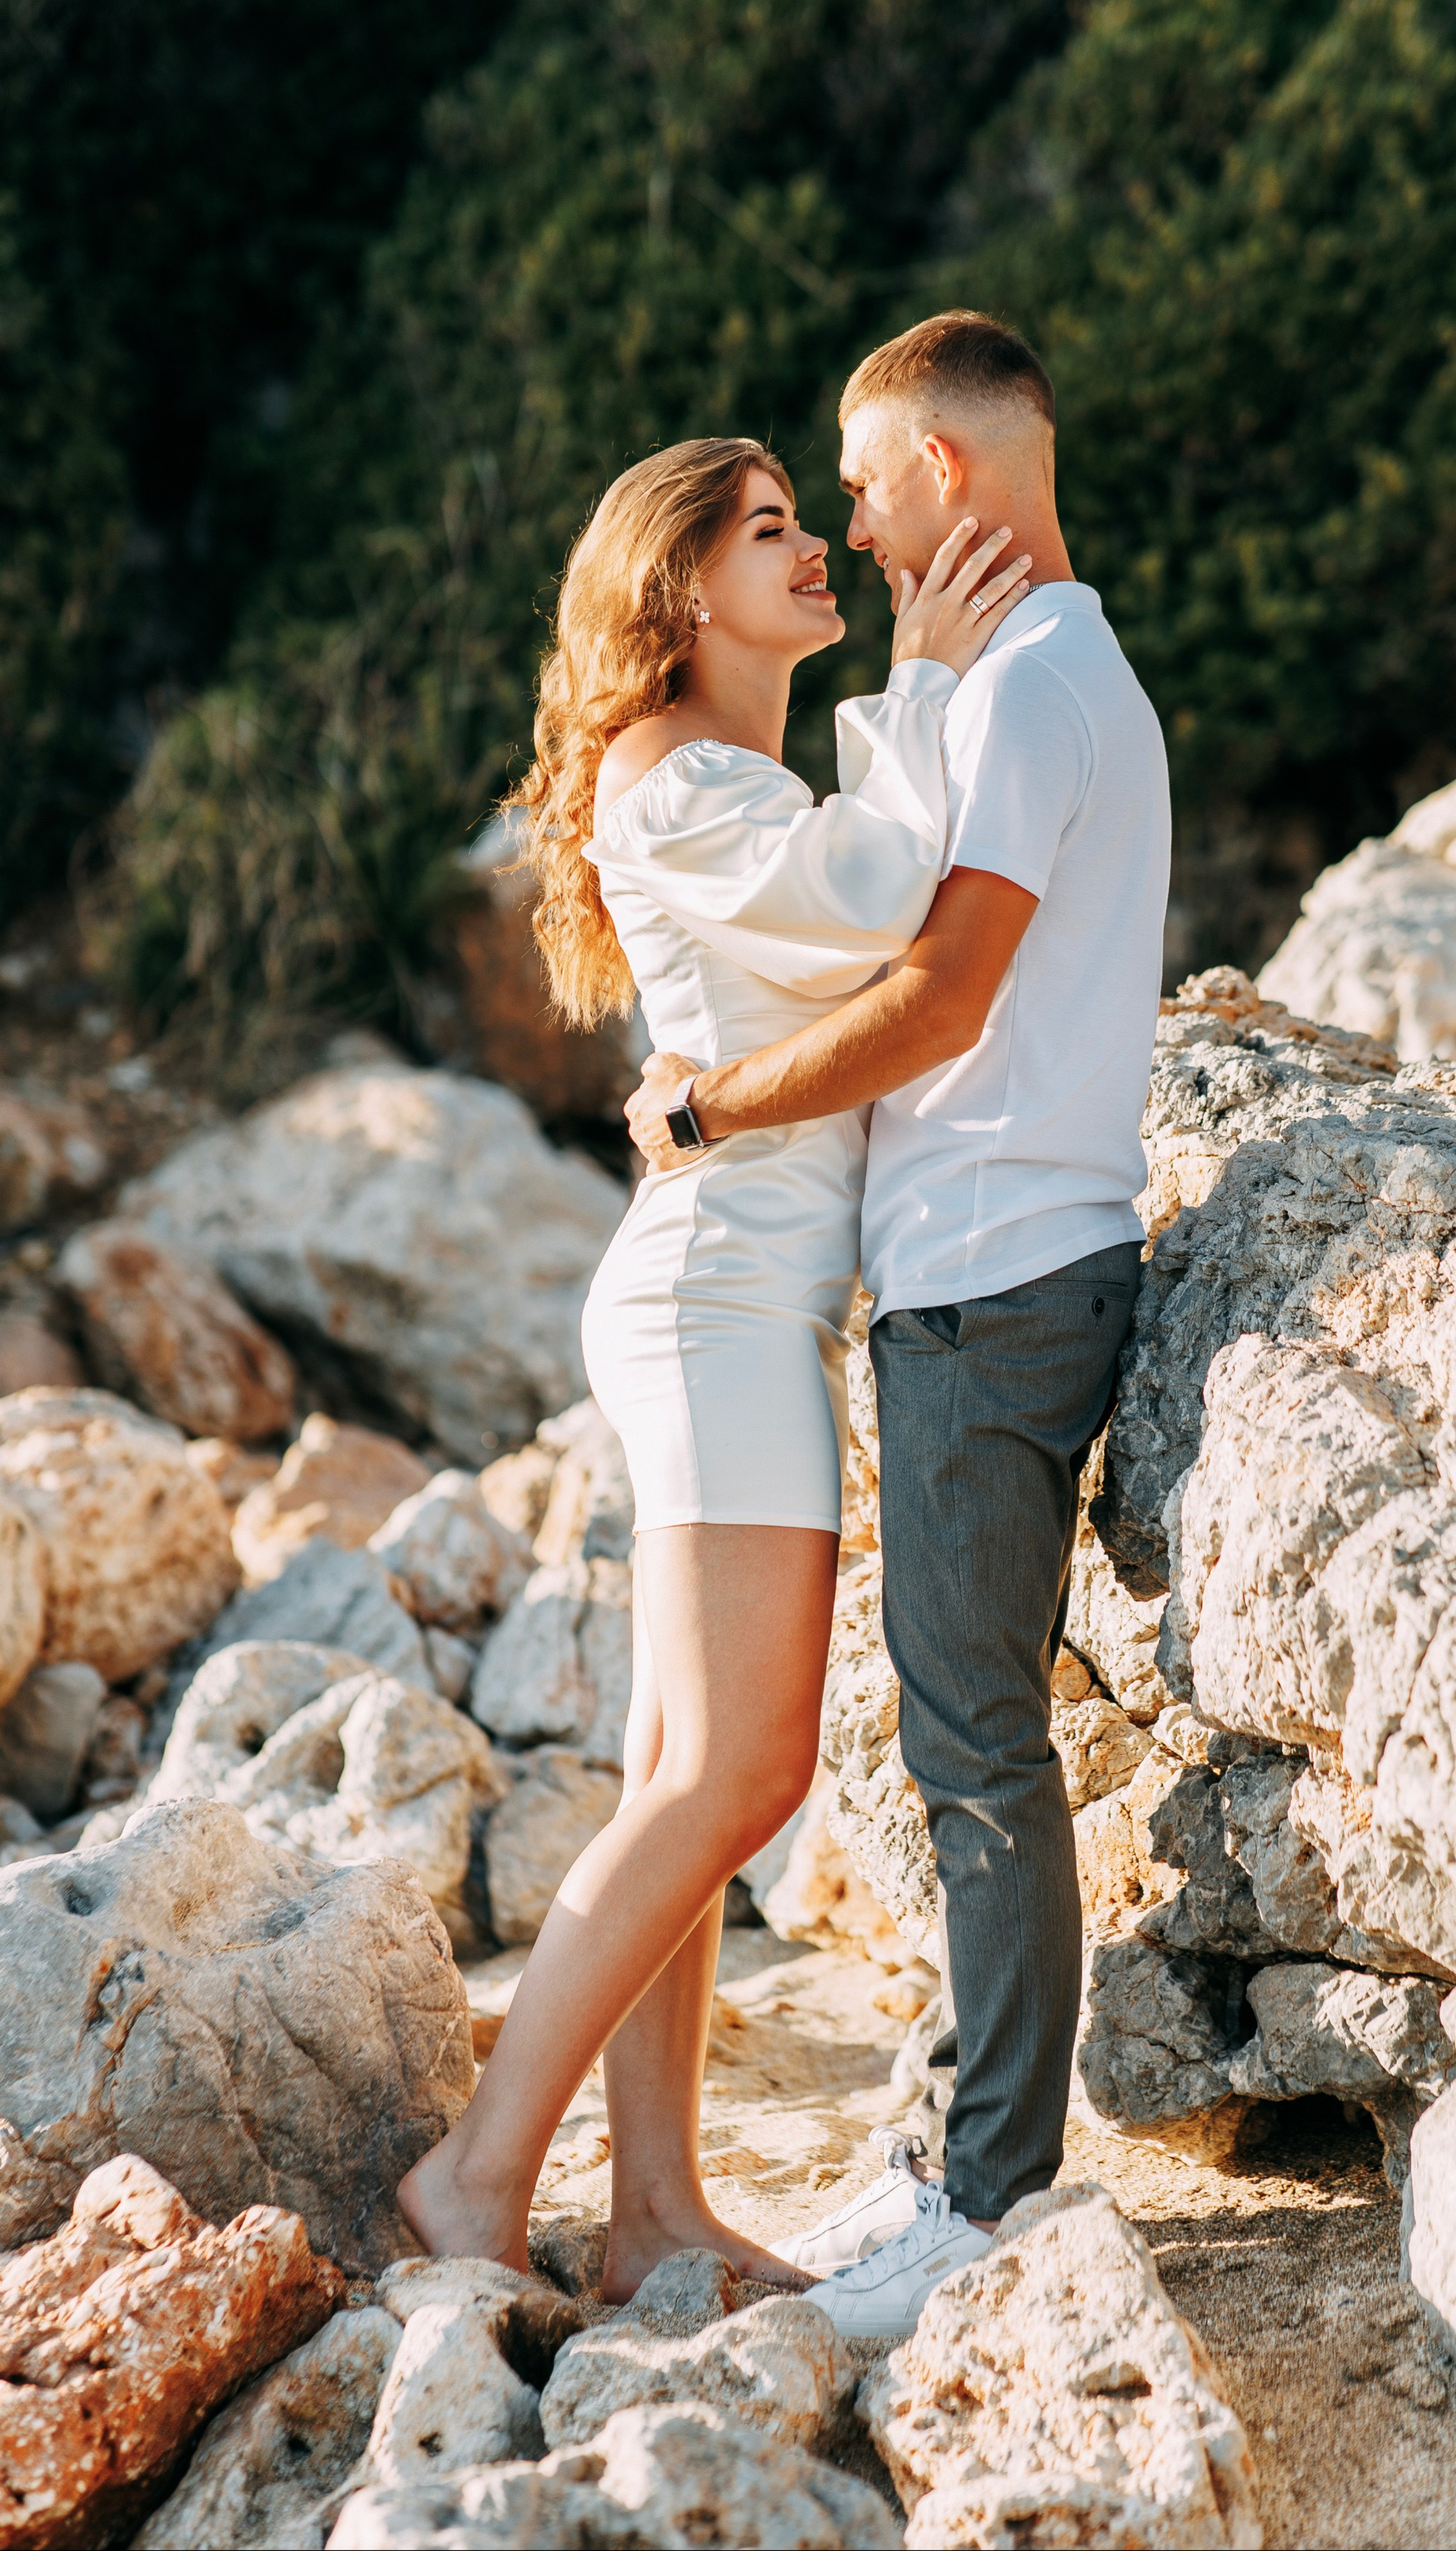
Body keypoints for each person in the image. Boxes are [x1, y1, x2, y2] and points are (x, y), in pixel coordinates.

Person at [397, 432, 1029, 2294]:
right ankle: (480, 2172)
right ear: (678, 591)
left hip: (731, 1294)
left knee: (682, 1765)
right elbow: (891, 892)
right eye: (771, 532)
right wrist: (933, 672)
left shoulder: (716, 771)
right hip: (717, 1301)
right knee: (739, 1773)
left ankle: (655, 2204)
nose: (814, 551)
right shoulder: (678, 779)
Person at [627, 312, 1171, 2334]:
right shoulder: (1027, 676)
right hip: (973, 1268)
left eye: (862, 480)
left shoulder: (1033, 685)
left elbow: (938, 995)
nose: (852, 521)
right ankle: (960, 2123)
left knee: (974, 1748)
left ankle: (991, 2188)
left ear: (950, 468)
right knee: (961, 1734)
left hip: (998, 1274)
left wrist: (710, 1107)